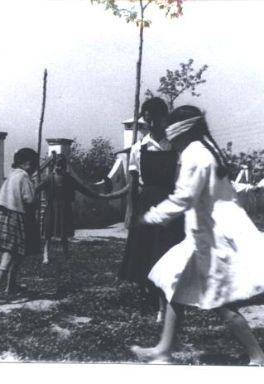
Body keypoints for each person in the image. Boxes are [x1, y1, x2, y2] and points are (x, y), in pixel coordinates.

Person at [131, 105, 264, 365]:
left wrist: (151, 217)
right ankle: (163, 350)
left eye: (173, 133)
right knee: (176, 285)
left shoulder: (196, 154)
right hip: (205, 234)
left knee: (219, 302)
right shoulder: (204, 149)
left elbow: (184, 197)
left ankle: (257, 355)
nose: (171, 139)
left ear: (182, 132)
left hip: (211, 239)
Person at [102, 97, 185, 321]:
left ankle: (164, 305)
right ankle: (147, 297)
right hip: (146, 204)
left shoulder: (174, 146)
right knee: (145, 252)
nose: (151, 125)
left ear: (163, 119)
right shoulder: (138, 149)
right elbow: (132, 185)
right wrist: (129, 211)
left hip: (169, 204)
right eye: (147, 120)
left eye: (155, 120)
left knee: (166, 252)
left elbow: (180, 182)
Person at [0, 148, 39, 307]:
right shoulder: (24, 177)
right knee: (9, 256)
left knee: (17, 254)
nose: (35, 167)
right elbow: (29, 200)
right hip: (16, 217)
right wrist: (35, 189)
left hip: (4, 215)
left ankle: (11, 286)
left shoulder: (12, 175)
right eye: (34, 164)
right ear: (28, 164)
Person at [36, 153, 101, 265]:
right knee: (48, 233)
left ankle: (66, 255)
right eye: (57, 165)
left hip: (64, 208)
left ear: (65, 166)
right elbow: (37, 189)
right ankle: (46, 255)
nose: (59, 167)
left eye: (61, 165)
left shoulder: (68, 178)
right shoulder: (49, 178)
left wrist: (98, 195)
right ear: (54, 165)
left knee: (64, 234)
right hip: (51, 207)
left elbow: (83, 189)